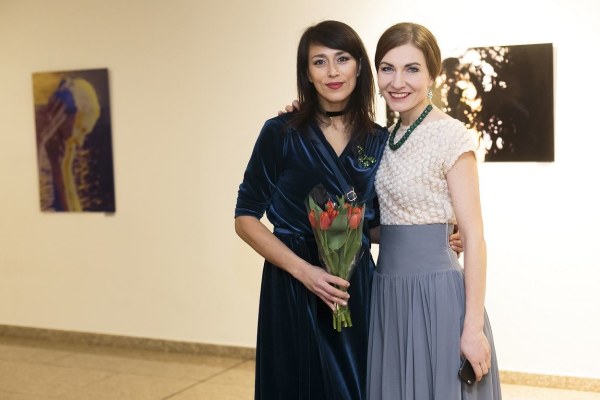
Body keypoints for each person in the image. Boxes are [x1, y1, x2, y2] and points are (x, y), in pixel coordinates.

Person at [235, 20, 388, 400]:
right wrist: (305, 272)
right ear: (306, 72)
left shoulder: (379, 140)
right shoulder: (280, 133)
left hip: (353, 286)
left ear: (359, 66)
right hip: (292, 284)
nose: (332, 71)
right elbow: (245, 217)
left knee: (357, 387)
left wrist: (435, 235)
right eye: (319, 61)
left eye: (342, 59)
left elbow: (373, 226)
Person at [366, 22, 502, 399]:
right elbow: (390, 222)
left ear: (432, 74)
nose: (398, 82)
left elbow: (474, 236)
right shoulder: (382, 139)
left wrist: (472, 328)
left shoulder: (451, 135)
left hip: (436, 296)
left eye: (411, 69)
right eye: (388, 68)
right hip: (388, 293)